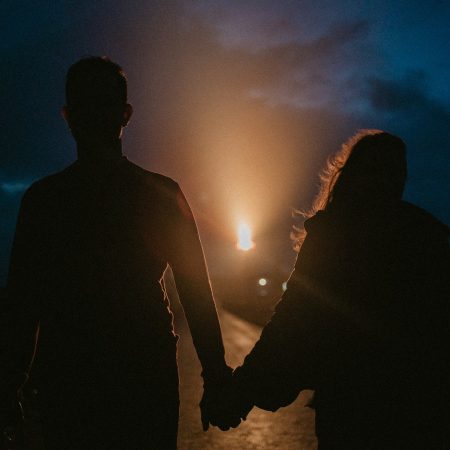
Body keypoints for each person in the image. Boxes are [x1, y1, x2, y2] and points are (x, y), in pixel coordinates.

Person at [0, 56, 236, 449]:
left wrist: (9, 386)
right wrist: (215, 376)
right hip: (145, 371)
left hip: (68, 377)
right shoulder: (162, 194)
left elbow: (23, 304)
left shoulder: (43, 200)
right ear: (125, 114)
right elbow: (196, 292)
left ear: (67, 116)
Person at [221, 131, 449, 449]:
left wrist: (242, 392)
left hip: (350, 402)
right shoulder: (430, 235)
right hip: (419, 405)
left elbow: (294, 318)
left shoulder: (332, 233)